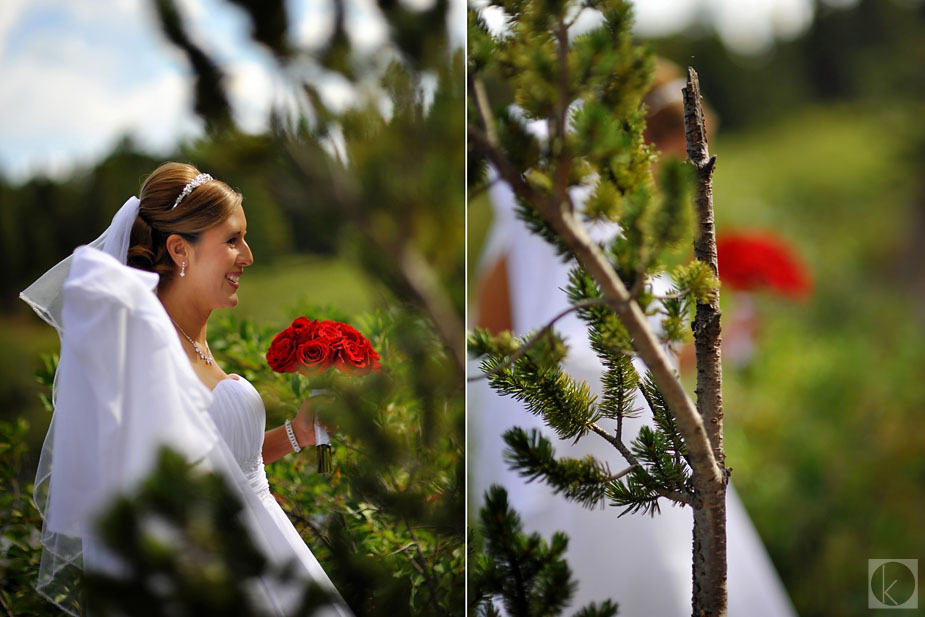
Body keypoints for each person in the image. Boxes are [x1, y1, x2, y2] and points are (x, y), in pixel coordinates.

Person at [469, 62, 799, 616]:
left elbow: (644, 348)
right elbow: (510, 342)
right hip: (569, 436)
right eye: (683, 159)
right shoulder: (556, 232)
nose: (686, 177)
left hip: (620, 432)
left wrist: (720, 337)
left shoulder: (609, 229)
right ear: (650, 144)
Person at [21, 162, 352, 617]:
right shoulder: (148, 352)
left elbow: (226, 466)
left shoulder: (194, 340)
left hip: (267, 554)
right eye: (232, 240)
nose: (248, 256)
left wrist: (297, 433)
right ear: (181, 250)